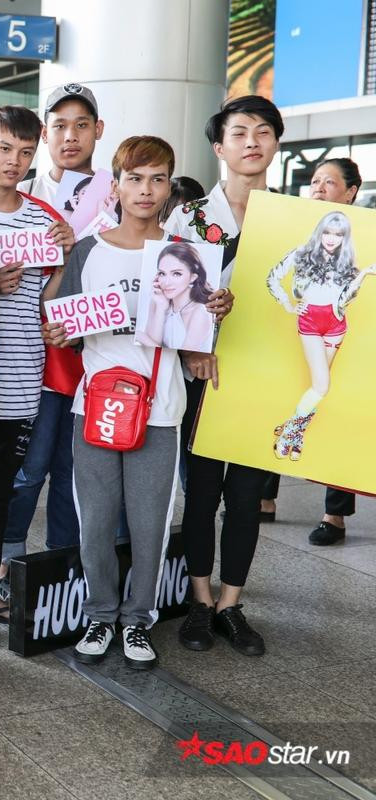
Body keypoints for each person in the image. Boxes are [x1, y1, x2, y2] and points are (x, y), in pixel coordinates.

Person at [45, 135, 223, 670]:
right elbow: (62, 323)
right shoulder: (88, 251)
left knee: (149, 523)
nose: (146, 190)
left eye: (158, 178)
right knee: (95, 520)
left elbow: (194, 335)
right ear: (116, 185)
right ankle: (101, 612)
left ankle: (137, 618)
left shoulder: (186, 256)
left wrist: (217, 309)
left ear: (169, 186)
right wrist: (59, 330)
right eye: (135, 178)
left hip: (160, 408)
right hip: (95, 407)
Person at [0, 106, 74, 644]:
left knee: (0, 490)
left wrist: (65, 263)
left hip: (25, 370)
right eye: (5, 149)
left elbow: (48, 304)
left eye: (26, 153)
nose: (15, 162)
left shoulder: (43, 218)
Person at [165, 95, 275, 657]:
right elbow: (172, 291)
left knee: (249, 492)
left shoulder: (292, 218)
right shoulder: (191, 217)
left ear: (276, 143)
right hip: (205, 371)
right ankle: (200, 600)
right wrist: (191, 352)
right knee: (204, 490)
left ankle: (233, 603)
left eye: (262, 131)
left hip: (264, 373)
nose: (251, 141)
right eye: (239, 133)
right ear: (219, 147)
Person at [0, 86, 100, 582]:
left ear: (98, 131)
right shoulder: (22, 195)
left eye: (82, 124)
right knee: (27, 469)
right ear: (45, 133)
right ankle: (6, 562)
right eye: (59, 125)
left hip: (97, 363)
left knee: (73, 474)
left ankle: (62, 567)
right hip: (33, 364)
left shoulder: (118, 196)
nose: (70, 135)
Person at [261, 158, 362, 545]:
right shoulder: (297, 234)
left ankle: (333, 514)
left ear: (351, 191)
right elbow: (273, 274)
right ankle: (265, 496)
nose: (318, 187)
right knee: (289, 393)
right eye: (314, 180)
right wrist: (287, 303)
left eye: (329, 181)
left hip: (341, 331)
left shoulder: (362, 238)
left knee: (335, 404)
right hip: (296, 329)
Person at [268, 211, 374, 457]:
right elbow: (273, 278)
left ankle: (295, 433)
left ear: (344, 238)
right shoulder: (302, 253)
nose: (331, 239)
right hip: (310, 324)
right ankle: (290, 433)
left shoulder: (346, 262)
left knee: (318, 387)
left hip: (337, 324)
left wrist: (364, 274)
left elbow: (346, 299)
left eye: (338, 235)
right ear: (320, 231)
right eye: (327, 232)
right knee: (322, 386)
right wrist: (288, 304)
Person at [136, 241, 216, 351]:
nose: (166, 282)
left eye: (176, 274)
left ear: (193, 277)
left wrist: (140, 336)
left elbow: (180, 358)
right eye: (162, 273)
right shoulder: (158, 300)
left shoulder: (200, 312)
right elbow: (150, 350)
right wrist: (161, 307)